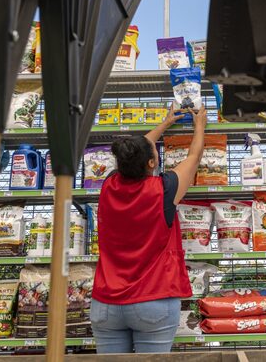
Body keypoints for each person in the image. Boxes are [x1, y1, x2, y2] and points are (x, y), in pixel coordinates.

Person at [90, 102, 208, 354]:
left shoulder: (108, 185)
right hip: (153, 300)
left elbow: (136, 150)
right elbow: (193, 158)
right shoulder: (164, 190)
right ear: (152, 163)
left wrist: (165, 123)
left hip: (106, 304)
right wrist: (200, 125)